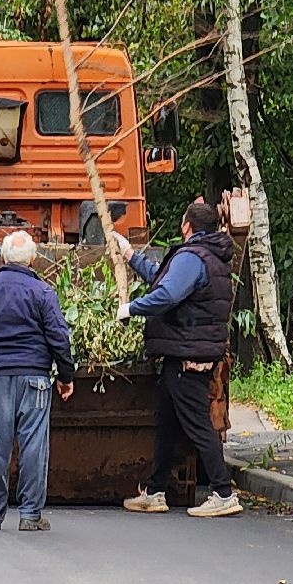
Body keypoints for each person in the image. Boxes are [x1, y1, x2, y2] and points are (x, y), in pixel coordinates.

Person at [116, 201, 242, 518]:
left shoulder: (191, 257)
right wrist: (130, 256)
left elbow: (168, 295)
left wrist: (132, 308)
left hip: (188, 354)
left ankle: (223, 493)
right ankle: (155, 491)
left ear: (187, 226)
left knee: (198, 424)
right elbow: (163, 279)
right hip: (185, 353)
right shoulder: (208, 256)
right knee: (168, 425)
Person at [0, 230, 75, 532]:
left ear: (3, 257)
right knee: (34, 446)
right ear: (33, 259)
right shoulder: (43, 293)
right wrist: (65, 376)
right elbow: (59, 338)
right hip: (36, 380)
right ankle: (30, 516)